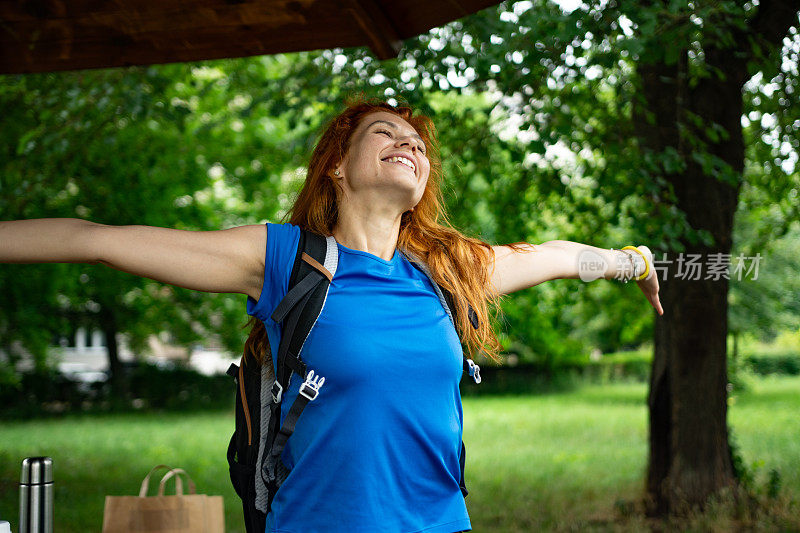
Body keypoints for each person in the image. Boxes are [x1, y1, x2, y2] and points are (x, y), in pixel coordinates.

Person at [0, 97, 663, 532]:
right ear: (339, 168)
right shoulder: (286, 259)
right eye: (386, 134)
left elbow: (550, 254)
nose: (409, 145)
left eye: (418, 144)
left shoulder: (447, 268)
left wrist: (632, 260)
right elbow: (99, 239)